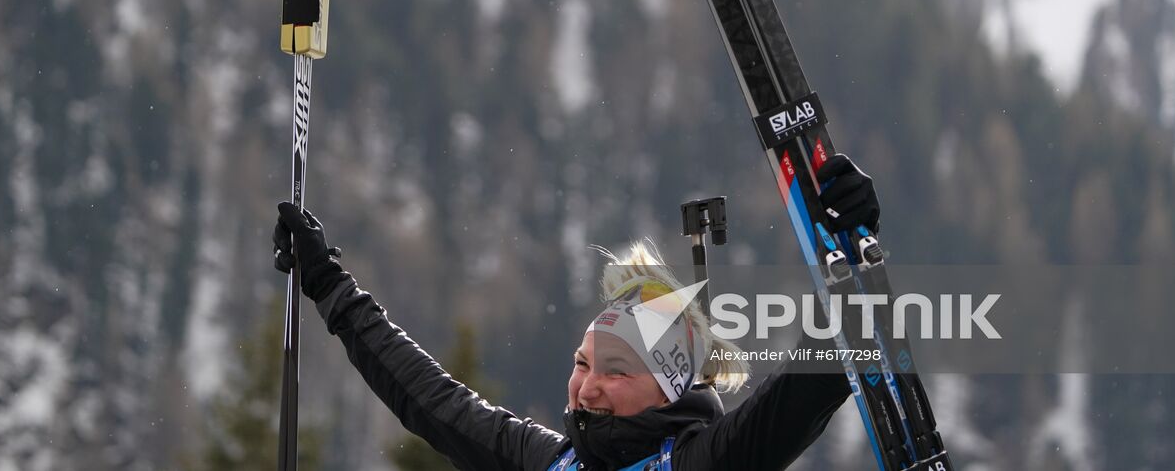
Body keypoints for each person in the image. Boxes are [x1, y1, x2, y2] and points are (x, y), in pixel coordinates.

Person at [273, 154, 881, 470]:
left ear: (669, 389)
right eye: (583, 362)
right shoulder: (550, 461)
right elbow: (428, 398)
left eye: (615, 372)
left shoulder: (708, 461)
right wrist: (329, 285)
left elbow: (816, 374)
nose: (586, 387)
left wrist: (858, 246)